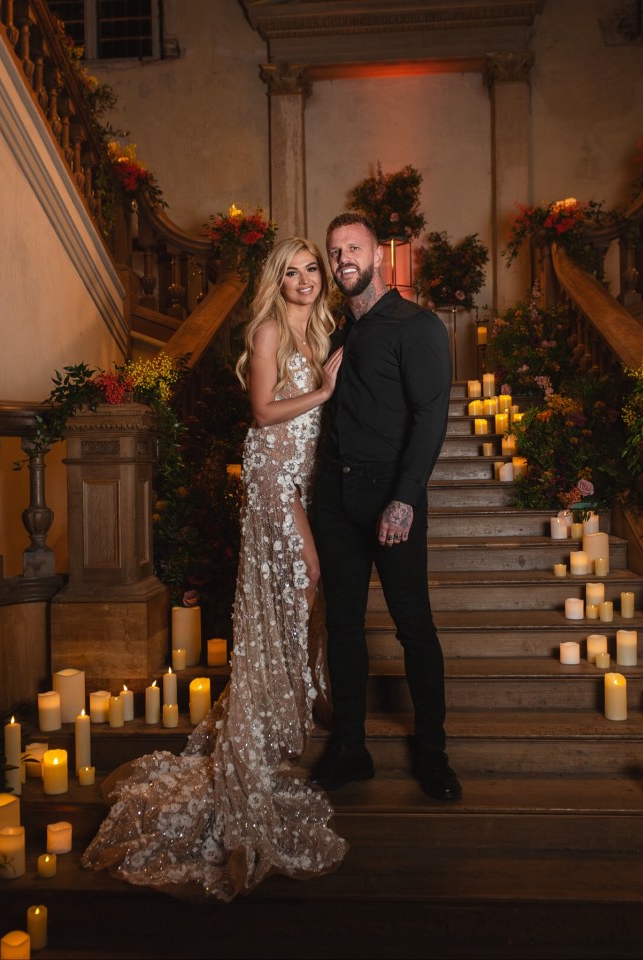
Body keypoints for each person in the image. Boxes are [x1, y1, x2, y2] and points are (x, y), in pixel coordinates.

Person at [82, 237, 346, 901]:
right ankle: (270, 723)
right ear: (277, 281)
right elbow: (262, 414)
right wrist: (324, 393)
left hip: (301, 482)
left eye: (312, 269)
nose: (305, 280)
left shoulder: (319, 332)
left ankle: (287, 705)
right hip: (270, 483)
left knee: (305, 590)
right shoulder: (264, 334)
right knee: (304, 579)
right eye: (293, 272)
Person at [310, 212, 461, 802]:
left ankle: (433, 752)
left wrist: (404, 499)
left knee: (414, 626)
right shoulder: (334, 334)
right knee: (343, 626)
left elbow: (430, 419)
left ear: (378, 257)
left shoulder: (417, 326)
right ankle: (351, 749)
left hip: (391, 498)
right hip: (334, 499)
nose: (343, 257)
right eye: (334, 250)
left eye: (353, 247)